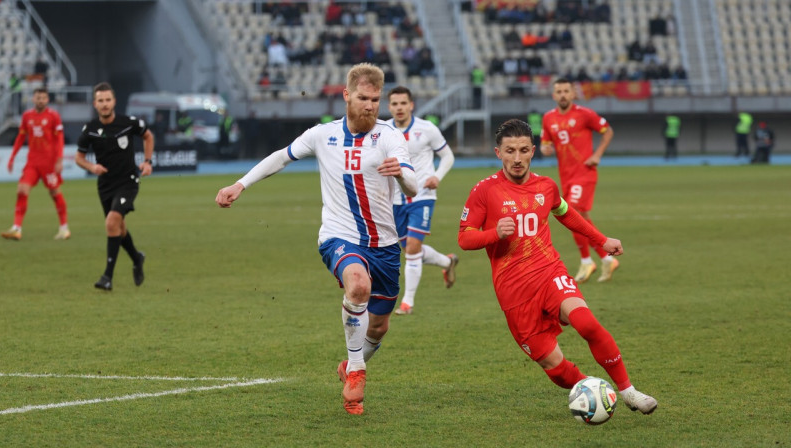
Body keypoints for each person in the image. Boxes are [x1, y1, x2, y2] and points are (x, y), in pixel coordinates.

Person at [215, 63, 416, 415]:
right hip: (338, 236)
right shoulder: (323, 135)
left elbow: (412, 186)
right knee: (357, 286)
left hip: (384, 245)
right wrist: (239, 184)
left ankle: (350, 363)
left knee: (379, 326)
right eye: (363, 98)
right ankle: (357, 371)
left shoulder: (389, 137)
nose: (370, 105)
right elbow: (282, 157)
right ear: (346, 95)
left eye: (375, 99)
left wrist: (400, 175)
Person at [458, 118, 658, 415]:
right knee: (554, 365)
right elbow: (464, 238)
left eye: (523, 150)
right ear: (498, 153)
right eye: (510, 150)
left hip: (548, 271)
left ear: (533, 151)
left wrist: (601, 240)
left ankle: (628, 391)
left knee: (587, 323)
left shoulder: (546, 187)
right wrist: (493, 234)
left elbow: (567, 214)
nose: (517, 158)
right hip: (513, 292)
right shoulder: (484, 191)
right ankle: (592, 388)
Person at [385, 85, 458, 316]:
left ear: (411, 105)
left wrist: (437, 176)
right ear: (389, 106)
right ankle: (447, 263)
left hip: (422, 196)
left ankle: (407, 302)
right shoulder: (383, 129)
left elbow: (447, 156)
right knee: (409, 250)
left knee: (413, 248)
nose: (399, 108)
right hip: (394, 199)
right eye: (394, 104)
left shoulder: (427, 129)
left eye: (403, 103)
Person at [75, 82, 153, 291]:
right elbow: (79, 158)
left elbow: (148, 136)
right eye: (100, 101)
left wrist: (147, 161)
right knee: (118, 227)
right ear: (95, 104)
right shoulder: (90, 129)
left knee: (111, 223)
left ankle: (107, 277)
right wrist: (92, 167)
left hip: (128, 181)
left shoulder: (128, 123)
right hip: (105, 186)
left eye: (108, 100)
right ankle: (137, 258)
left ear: (114, 101)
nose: (105, 104)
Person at [540, 78, 616, 283]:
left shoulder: (585, 114)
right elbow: (545, 143)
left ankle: (586, 261)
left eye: (566, 91)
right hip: (566, 176)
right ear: (554, 95)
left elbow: (608, 131)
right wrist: (545, 148)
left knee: (570, 213)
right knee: (581, 220)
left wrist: (597, 154)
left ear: (573, 94)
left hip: (584, 174)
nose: (563, 94)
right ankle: (607, 259)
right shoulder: (548, 118)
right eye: (559, 91)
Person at [1, 87, 70, 241]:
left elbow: (59, 139)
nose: (40, 100)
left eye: (43, 98)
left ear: (47, 100)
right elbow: (20, 138)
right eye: (38, 98)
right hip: (32, 161)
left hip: (49, 163)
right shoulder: (27, 116)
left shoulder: (53, 116)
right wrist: (12, 157)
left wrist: (59, 159)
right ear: (33, 99)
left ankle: (64, 228)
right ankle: (16, 228)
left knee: (54, 193)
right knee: (22, 190)